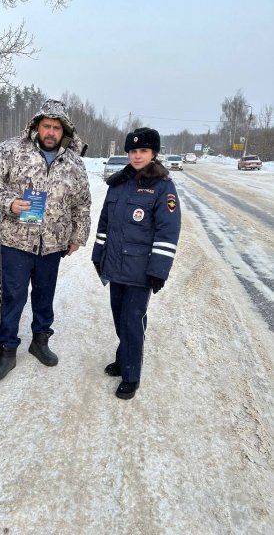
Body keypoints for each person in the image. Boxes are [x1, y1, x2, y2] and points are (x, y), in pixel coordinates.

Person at [0, 99, 91, 380]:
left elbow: (83, 203)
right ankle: (7, 351)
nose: (51, 132)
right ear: (37, 126)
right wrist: (9, 202)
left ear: (63, 130)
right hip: (17, 241)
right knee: (13, 297)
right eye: (46, 126)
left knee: (44, 296)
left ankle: (40, 342)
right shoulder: (11, 150)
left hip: (53, 244)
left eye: (56, 127)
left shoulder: (74, 163)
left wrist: (78, 235)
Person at [92, 127, 181, 400]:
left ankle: (131, 374)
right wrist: (98, 253)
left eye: (143, 150)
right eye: (133, 150)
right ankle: (124, 357)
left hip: (141, 271)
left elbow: (168, 231)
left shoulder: (162, 187)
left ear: (154, 153)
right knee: (120, 318)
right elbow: (105, 222)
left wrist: (158, 270)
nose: (137, 155)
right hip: (116, 266)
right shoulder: (119, 183)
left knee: (132, 320)